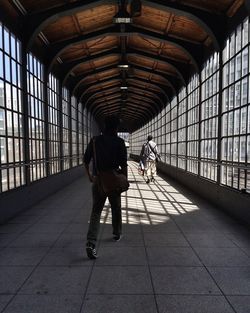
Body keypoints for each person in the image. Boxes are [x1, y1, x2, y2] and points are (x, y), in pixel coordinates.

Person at [84, 116, 128, 259]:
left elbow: (86, 159)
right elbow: (124, 165)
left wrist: (90, 175)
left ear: (104, 127)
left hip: (98, 181)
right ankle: (116, 233)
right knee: (116, 208)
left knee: (96, 211)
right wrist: (124, 180)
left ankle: (91, 243)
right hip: (114, 181)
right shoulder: (120, 142)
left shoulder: (95, 141)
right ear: (116, 128)